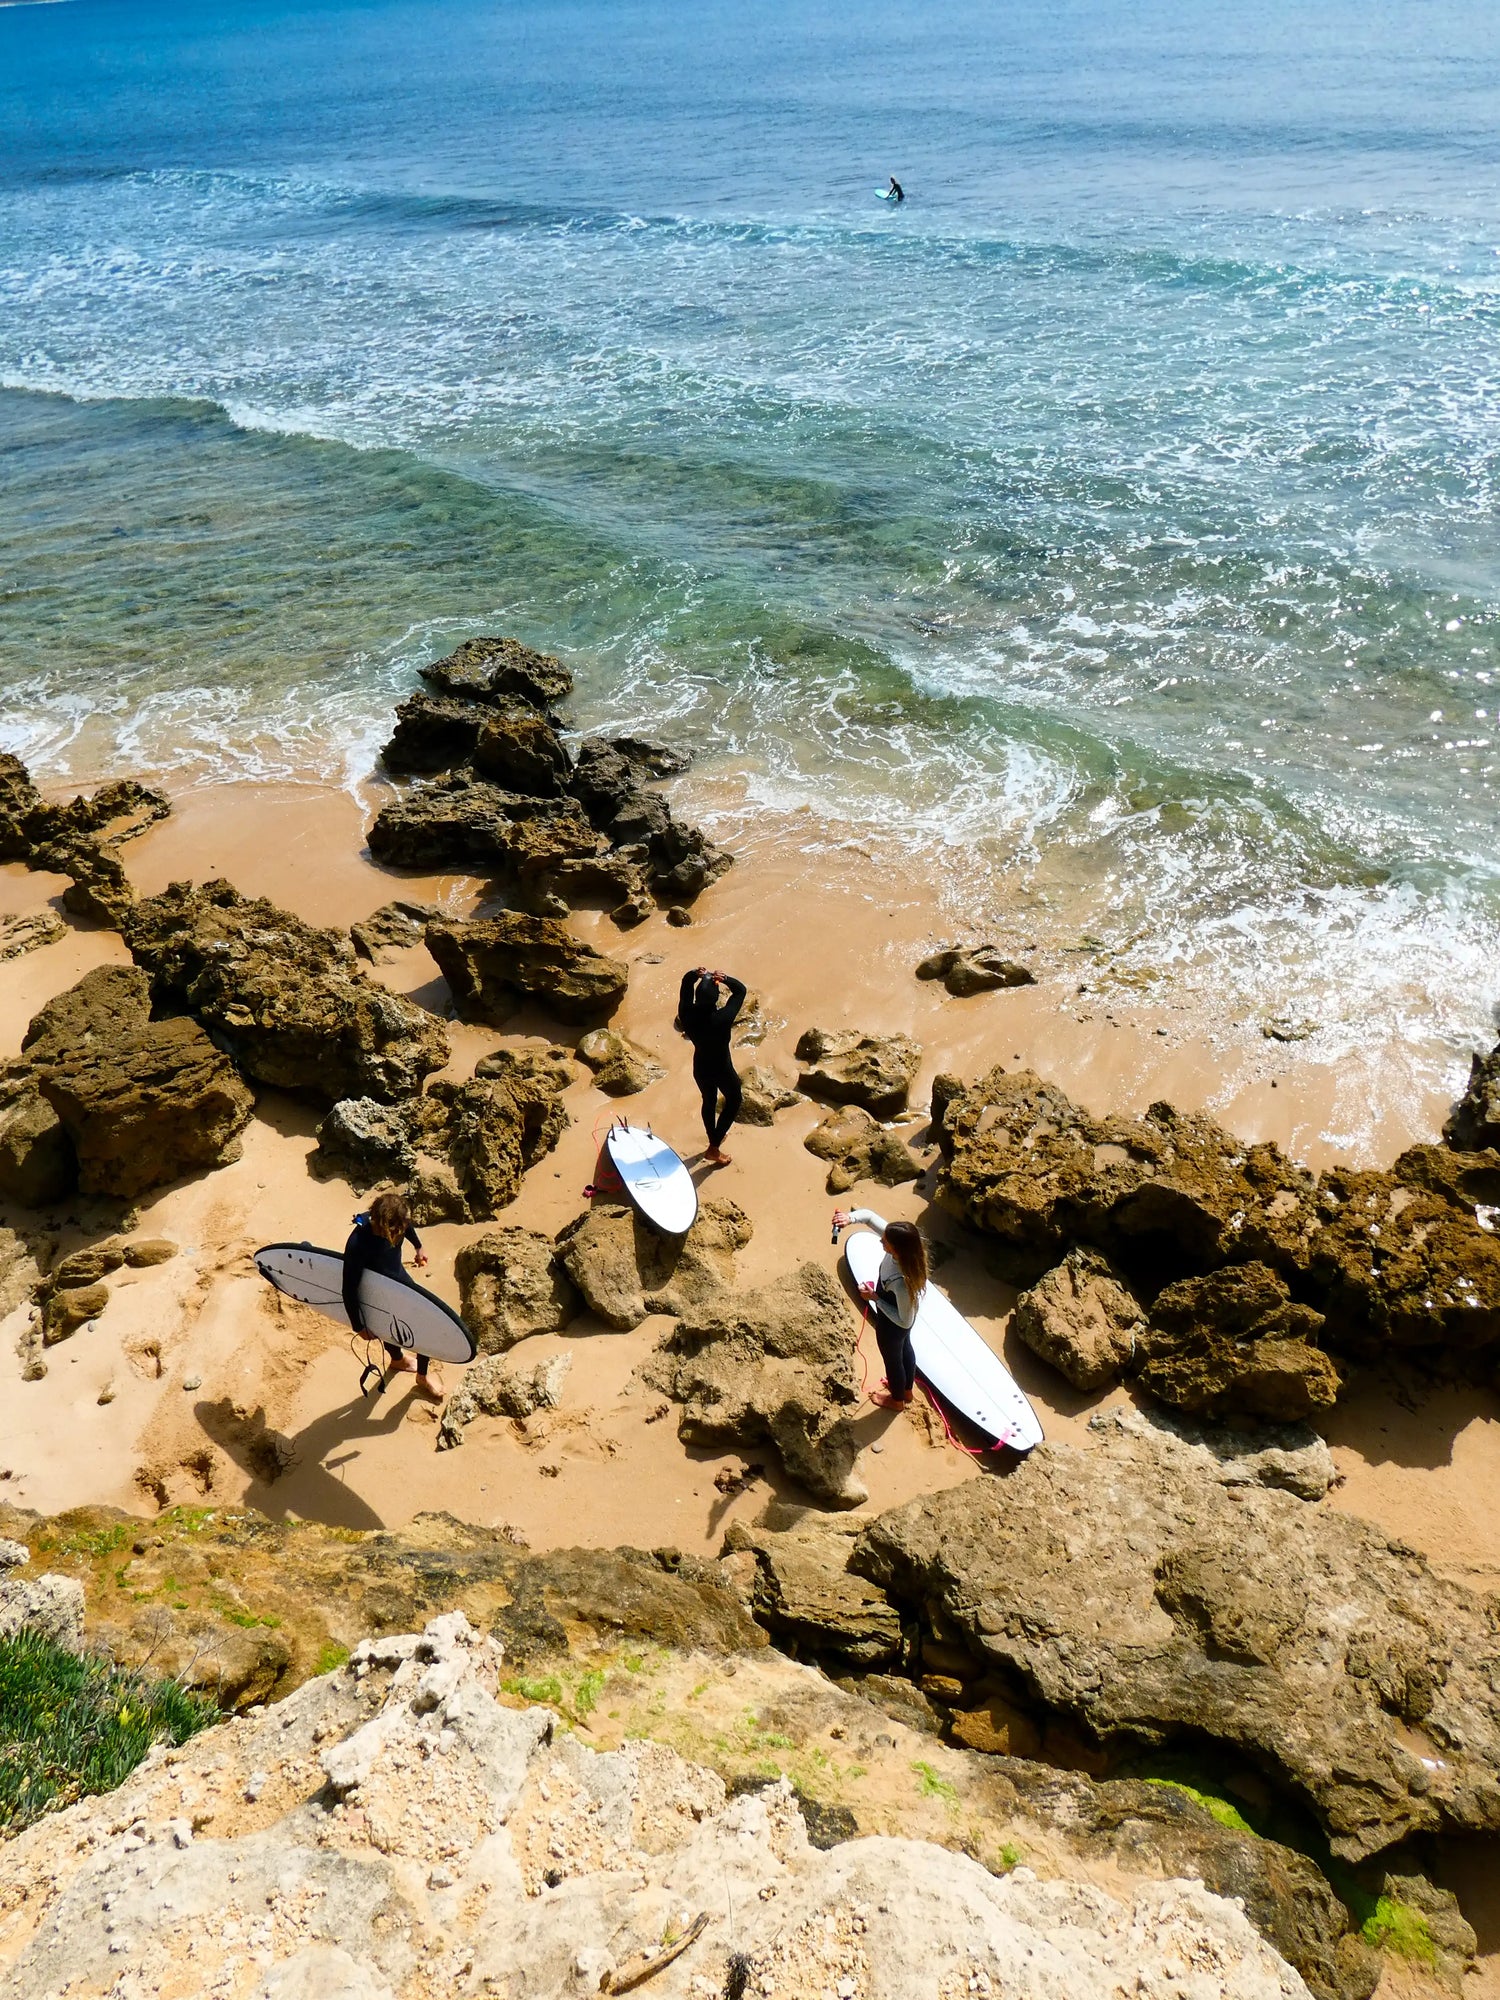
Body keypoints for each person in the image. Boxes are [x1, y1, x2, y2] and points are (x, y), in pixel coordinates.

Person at [343, 1189, 442, 1402]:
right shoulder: (358, 1243)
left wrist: (418, 1247)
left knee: (424, 1325)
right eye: (394, 1230)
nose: (399, 1233)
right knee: (387, 1329)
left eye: (401, 1228)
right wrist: (358, 1326)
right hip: (376, 1292)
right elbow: (349, 1288)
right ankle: (397, 1360)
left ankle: (422, 1376)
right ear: (379, 1224)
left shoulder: (399, 1222)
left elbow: (408, 1227)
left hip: (399, 1279)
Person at [832, 1207, 926, 1408]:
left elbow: (904, 1320)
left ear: (895, 1248)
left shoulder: (902, 1282)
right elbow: (870, 1216)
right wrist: (849, 1218)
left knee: (893, 1360)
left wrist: (874, 1298)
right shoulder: (908, 1248)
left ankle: (897, 1400)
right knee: (905, 1349)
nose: (880, 1240)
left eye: (884, 1241)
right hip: (902, 1313)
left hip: (894, 1323)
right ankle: (907, 1392)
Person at [676, 965, 746, 1166]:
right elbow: (740, 991)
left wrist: (692, 975)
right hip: (722, 1068)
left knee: (709, 1101)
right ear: (716, 999)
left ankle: (713, 1138)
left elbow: (685, 987)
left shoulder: (687, 1014)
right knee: (734, 1100)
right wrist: (726, 979)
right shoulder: (723, 1018)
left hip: (701, 1067)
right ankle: (714, 1147)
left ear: (698, 996)